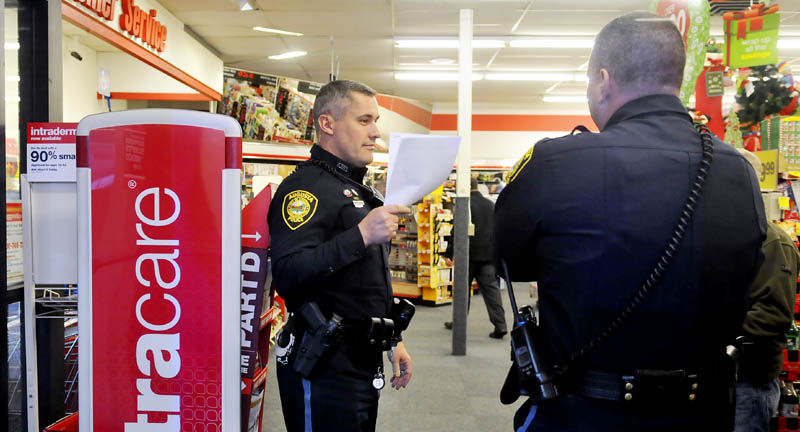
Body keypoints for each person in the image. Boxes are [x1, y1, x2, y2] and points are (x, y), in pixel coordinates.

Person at [493, 12, 766, 431]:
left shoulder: (555, 162)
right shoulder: (737, 170)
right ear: (676, 77)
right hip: (703, 412)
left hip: (585, 413)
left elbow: (511, 263)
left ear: (604, 79)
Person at [268, 80, 413, 432]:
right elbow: (287, 275)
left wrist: (393, 339)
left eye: (376, 120)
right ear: (327, 124)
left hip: (362, 357)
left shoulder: (358, 190)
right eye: (364, 121)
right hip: (323, 362)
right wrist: (361, 235)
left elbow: (365, 280)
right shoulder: (304, 190)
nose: (376, 132)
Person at [734, 149, 799, 432]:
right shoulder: (730, 235)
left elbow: (773, 315)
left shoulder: (773, 243)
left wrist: (710, 328)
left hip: (749, 385)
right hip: (723, 380)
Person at [444, 176, 508, 338]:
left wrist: (449, 253)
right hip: (487, 255)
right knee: (491, 290)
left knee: (461, 290)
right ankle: (500, 325)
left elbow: (456, 231)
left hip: (467, 255)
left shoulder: (464, 206)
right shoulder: (490, 205)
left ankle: (458, 322)